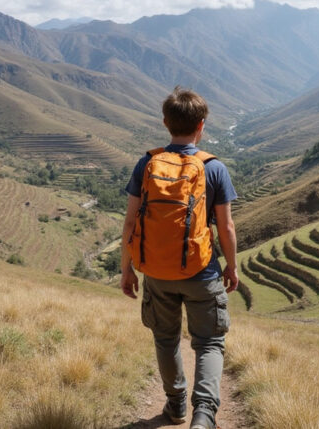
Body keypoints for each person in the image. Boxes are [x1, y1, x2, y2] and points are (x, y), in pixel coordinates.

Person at [120, 87, 239, 429]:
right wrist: (231, 266)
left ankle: (175, 406)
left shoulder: (147, 163)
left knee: (165, 338)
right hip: (202, 272)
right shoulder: (214, 169)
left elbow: (130, 222)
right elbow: (226, 226)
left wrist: (127, 270)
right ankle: (204, 416)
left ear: (165, 123)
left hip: (156, 272)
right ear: (201, 126)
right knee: (210, 342)